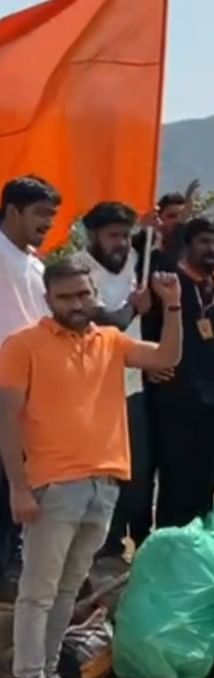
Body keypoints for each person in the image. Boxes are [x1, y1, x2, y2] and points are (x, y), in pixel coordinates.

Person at [0, 259, 182, 678]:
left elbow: (166, 358)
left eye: (84, 295)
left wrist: (174, 307)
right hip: (53, 487)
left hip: (104, 484)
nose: (78, 305)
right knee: (38, 593)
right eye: (67, 297)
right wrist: (18, 488)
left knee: (65, 591)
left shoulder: (110, 341)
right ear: (48, 299)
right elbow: (6, 423)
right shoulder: (22, 346)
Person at [144, 218, 214, 529]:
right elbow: (148, 331)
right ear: (189, 245)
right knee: (174, 475)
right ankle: (167, 544)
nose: (211, 249)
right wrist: (148, 365)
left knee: (205, 476)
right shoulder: (168, 285)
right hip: (173, 394)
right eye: (204, 242)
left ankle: (197, 543)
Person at [75, 203, 156, 563]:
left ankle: (123, 540)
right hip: (94, 389)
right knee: (99, 473)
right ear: (93, 236)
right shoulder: (78, 269)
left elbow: (146, 242)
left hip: (132, 385)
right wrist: (136, 307)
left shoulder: (132, 260)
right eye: (113, 236)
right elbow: (109, 323)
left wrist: (152, 226)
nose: (121, 243)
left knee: (134, 472)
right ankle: (95, 545)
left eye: (125, 235)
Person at [0, 176, 59, 600]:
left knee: (16, 484)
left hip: (30, 391)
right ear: (13, 211)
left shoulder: (37, 266)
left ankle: (9, 567)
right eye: (40, 213)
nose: (48, 223)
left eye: (52, 216)